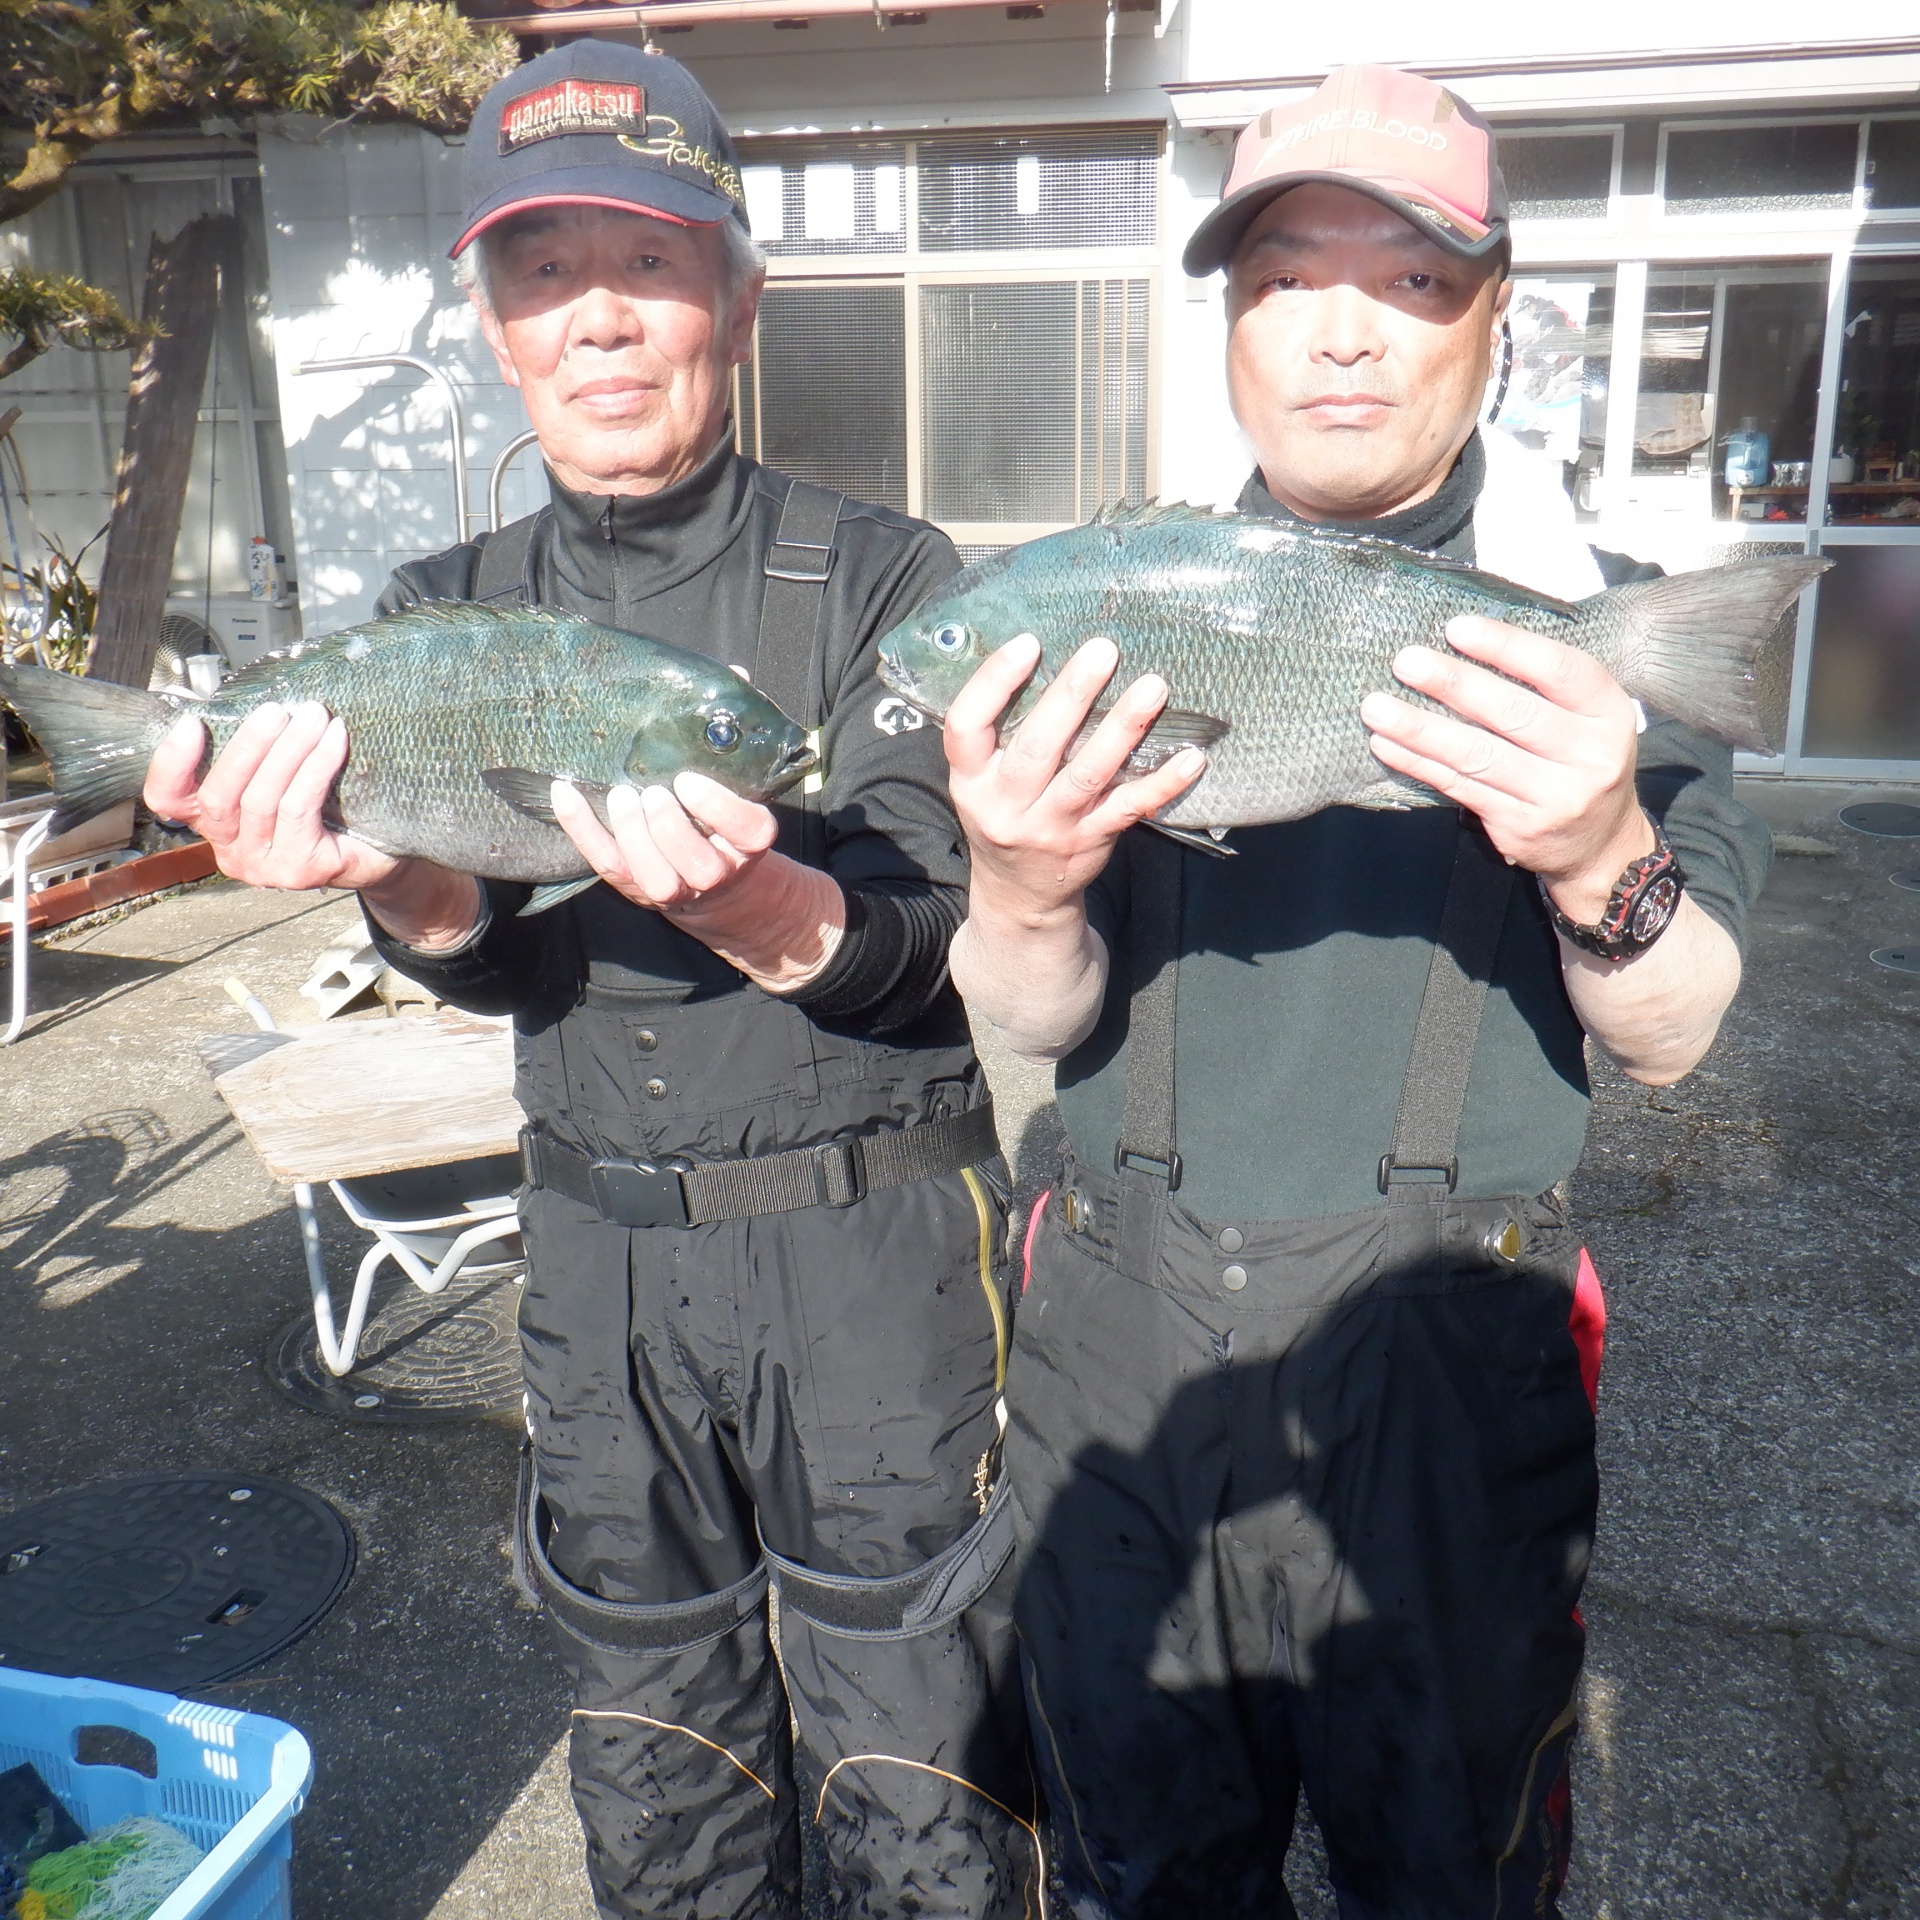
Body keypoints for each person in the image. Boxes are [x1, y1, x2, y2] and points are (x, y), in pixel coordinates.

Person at [144, 41, 1035, 1920]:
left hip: (872, 1258)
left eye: (648, 261)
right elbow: (497, 959)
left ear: (738, 300)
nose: (599, 318)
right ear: (495, 327)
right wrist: (394, 873)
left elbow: (929, 944)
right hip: (597, 1268)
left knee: (926, 1768)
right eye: (543, 272)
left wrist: (757, 905)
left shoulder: (889, 578)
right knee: (657, 1769)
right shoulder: (437, 606)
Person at [943, 66, 1773, 1920]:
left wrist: (1597, 845)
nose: (1341, 334)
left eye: (1410, 281)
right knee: (1142, 1874)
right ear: (1232, 328)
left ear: (1496, 317)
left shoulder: (1597, 626)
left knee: (1451, 1874)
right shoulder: (1114, 604)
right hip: (1120, 1350)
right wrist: (1021, 876)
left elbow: (1674, 1029)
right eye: (1285, 279)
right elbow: (1028, 1014)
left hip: (1444, 1358)